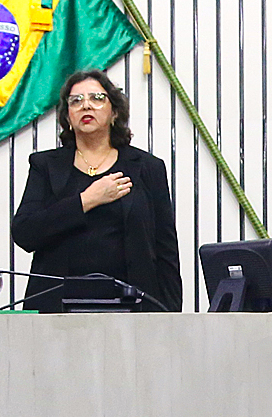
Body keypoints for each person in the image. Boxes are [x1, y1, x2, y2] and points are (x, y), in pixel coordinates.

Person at [11, 70, 181, 312]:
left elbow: (166, 250)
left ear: (114, 113)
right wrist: (85, 201)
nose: (86, 105)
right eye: (76, 101)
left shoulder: (147, 167)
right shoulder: (45, 166)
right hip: (57, 308)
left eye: (97, 98)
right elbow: (25, 232)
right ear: (68, 118)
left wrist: (171, 313)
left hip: (133, 306)